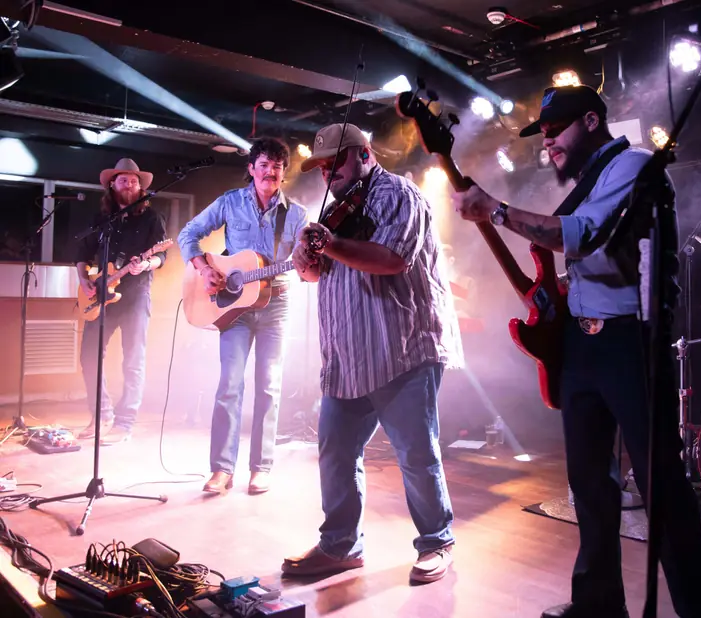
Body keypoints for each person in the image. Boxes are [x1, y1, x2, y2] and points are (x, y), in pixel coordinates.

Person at [454, 86, 701, 618]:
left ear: (593, 121)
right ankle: (598, 602)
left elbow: (585, 235)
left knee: (660, 483)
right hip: (584, 342)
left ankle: (698, 611)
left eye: (556, 128)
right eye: (542, 132)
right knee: (589, 485)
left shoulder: (634, 165)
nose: (547, 140)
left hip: (629, 341)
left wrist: (498, 211)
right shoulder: (589, 181)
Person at [282, 123, 463, 585]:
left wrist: (331, 243)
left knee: (416, 455)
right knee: (336, 451)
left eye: (334, 163)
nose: (327, 174)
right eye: (321, 167)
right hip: (348, 354)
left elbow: (390, 259)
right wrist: (307, 260)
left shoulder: (400, 195)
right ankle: (341, 546)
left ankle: (436, 542)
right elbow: (316, 276)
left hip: (400, 348)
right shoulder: (335, 210)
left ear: (363, 153)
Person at [177, 138, 308, 495]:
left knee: (268, 387)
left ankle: (261, 468)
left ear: (284, 172)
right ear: (251, 168)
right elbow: (188, 233)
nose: (271, 171)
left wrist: (310, 262)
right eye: (264, 164)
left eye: (278, 166)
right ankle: (222, 469)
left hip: (275, 303)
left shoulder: (296, 214)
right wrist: (204, 268)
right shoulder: (230, 203)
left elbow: (306, 266)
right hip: (234, 307)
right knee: (229, 386)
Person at [76, 158, 167, 445]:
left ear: (140, 187)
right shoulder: (101, 219)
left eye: (134, 180)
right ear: (112, 185)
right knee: (89, 356)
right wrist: (83, 280)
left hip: (136, 293)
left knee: (133, 361)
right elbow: (82, 252)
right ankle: (101, 415)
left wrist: (146, 263)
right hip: (101, 295)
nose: (129, 183)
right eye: (123, 179)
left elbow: (163, 255)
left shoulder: (152, 218)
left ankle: (124, 422)